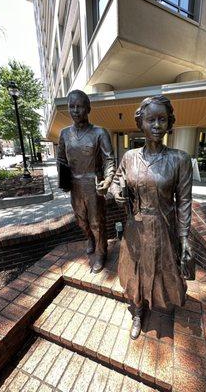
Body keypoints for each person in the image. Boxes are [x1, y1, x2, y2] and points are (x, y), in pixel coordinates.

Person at [111, 95, 193, 339]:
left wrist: (185, 237)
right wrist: (117, 191)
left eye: (162, 119)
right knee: (135, 269)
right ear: (141, 123)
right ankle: (137, 310)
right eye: (151, 120)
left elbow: (185, 201)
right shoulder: (129, 157)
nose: (157, 125)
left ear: (170, 123)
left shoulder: (180, 159)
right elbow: (117, 179)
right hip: (135, 226)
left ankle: (162, 302)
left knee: (162, 270)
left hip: (163, 226)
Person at [57, 90, 116, 273]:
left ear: (88, 108)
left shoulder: (99, 133)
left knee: (97, 222)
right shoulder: (65, 134)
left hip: (93, 183)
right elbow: (61, 160)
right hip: (75, 184)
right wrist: (63, 179)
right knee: (82, 221)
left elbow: (109, 160)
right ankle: (89, 238)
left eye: (79, 106)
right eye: (71, 107)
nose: (75, 110)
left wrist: (107, 180)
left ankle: (101, 252)